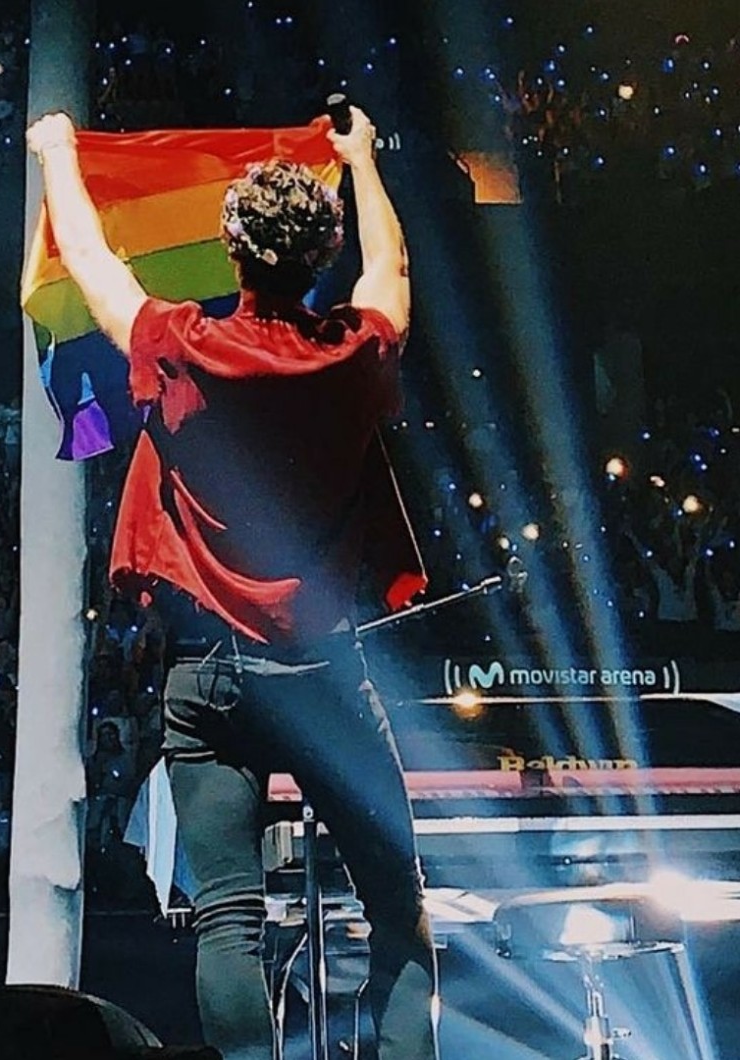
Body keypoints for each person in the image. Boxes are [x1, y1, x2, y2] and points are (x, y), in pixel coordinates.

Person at [27, 107, 437, 1060]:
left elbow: (90, 260)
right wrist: (361, 160)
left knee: (228, 916)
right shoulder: (354, 353)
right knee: (396, 907)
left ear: (230, 250)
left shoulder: (182, 344)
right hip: (324, 673)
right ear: (323, 251)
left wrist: (57, 154)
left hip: (206, 676)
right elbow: (394, 270)